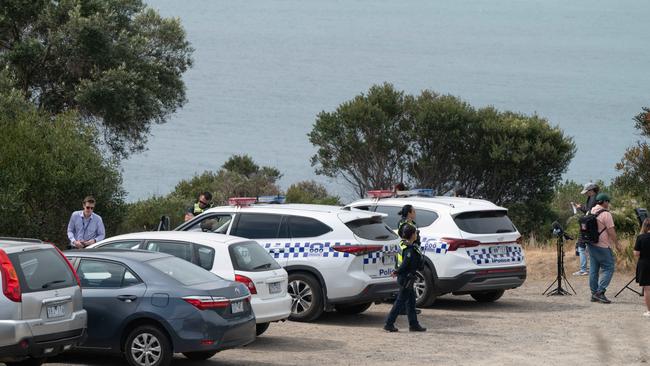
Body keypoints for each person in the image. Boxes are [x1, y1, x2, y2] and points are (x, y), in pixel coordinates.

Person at [384, 224, 426, 332]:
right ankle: (389, 323)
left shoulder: (403, 245)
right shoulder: (409, 249)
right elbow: (405, 263)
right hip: (406, 278)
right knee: (400, 302)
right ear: (412, 235)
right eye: (415, 233)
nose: (416, 235)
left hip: (407, 278)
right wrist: (397, 271)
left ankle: (414, 324)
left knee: (411, 302)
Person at [588, 193, 623, 304]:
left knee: (594, 269)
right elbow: (611, 231)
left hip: (591, 244)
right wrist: (617, 244)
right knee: (609, 267)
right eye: (608, 201)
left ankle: (594, 294)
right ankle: (600, 292)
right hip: (602, 245)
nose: (608, 203)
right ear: (604, 202)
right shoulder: (606, 214)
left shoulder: (590, 211)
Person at [396, 204, 421, 315]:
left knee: (408, 287)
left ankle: (410, 309)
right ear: (409, 213)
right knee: (404, 286)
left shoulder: (411, 224)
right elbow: (405, 240)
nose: (415, 213)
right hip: (405, 256)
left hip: (410, 256)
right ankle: (399, 311)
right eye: (414, 211)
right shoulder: (404, 224)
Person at [572, 182, 600, 276]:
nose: (586, 194)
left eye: (587, 192)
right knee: (587, 248)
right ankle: (588, 268)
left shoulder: (593, 198)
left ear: (591, 190)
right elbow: (589, 210)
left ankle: (584, 269)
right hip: (590, 225)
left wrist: (581, 208)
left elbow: (589, 212)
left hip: (588, 226)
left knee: (581, 247)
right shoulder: (595, 197)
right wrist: (581, 207)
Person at [634, 218, 650, 317]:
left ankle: (649, 311)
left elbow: (636, 253)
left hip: (645, 264)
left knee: (647, 289)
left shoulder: (641, 237)